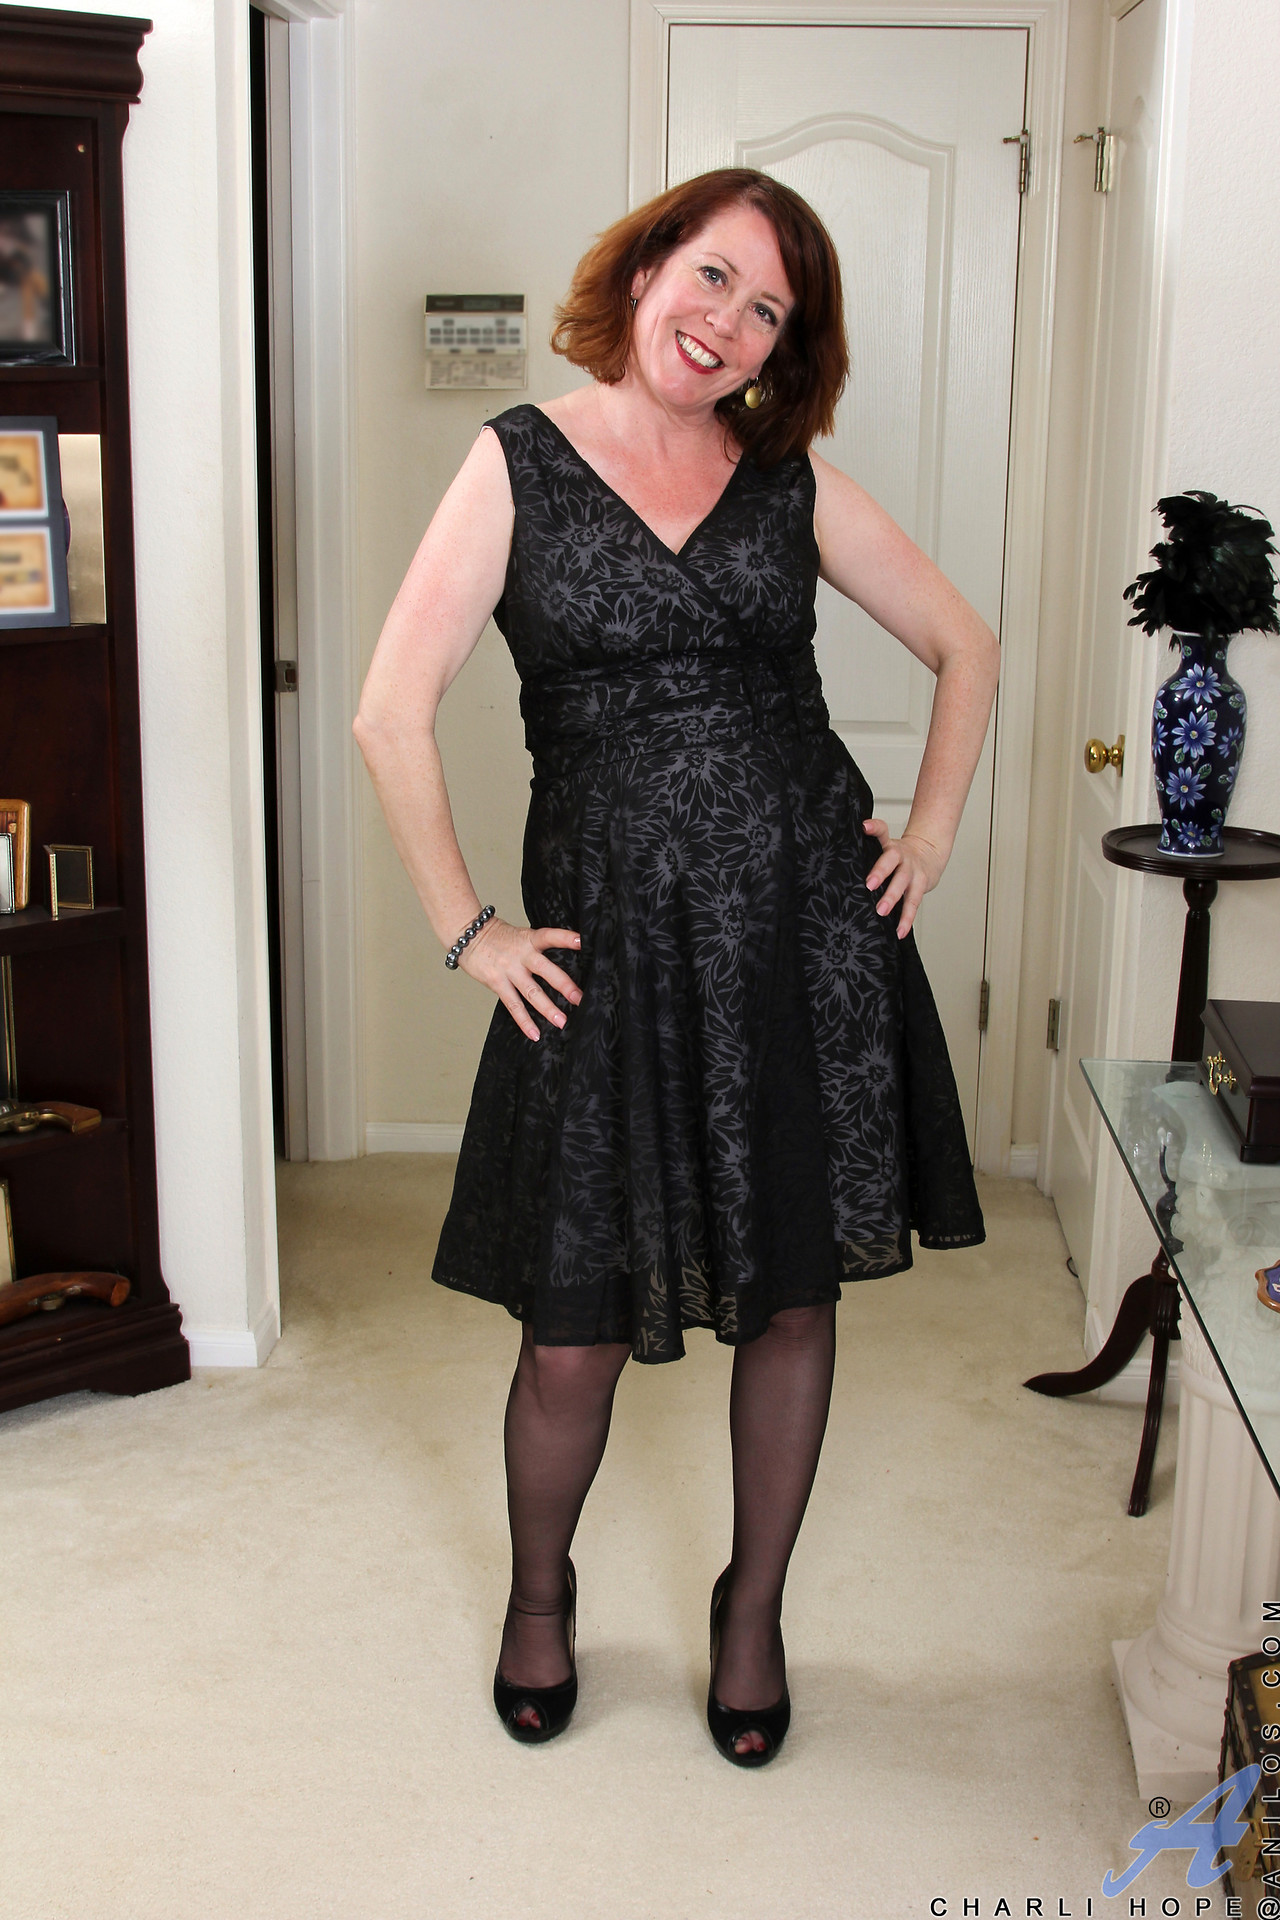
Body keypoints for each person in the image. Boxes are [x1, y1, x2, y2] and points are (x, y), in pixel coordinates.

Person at [354, 169, 1000, 1766]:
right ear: (647, 270)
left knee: (789, 1301)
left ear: (785, 350)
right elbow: (389, 711)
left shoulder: (786, 482)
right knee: (572, 1328)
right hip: (610, 964)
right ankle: (540, 1600)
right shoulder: (518, 463)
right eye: (712, 275)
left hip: (800, 945)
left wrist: (926, 834)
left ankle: (752, 1610)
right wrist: (468, 928)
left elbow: (964, 644)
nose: (726, 322)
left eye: (767, 310)